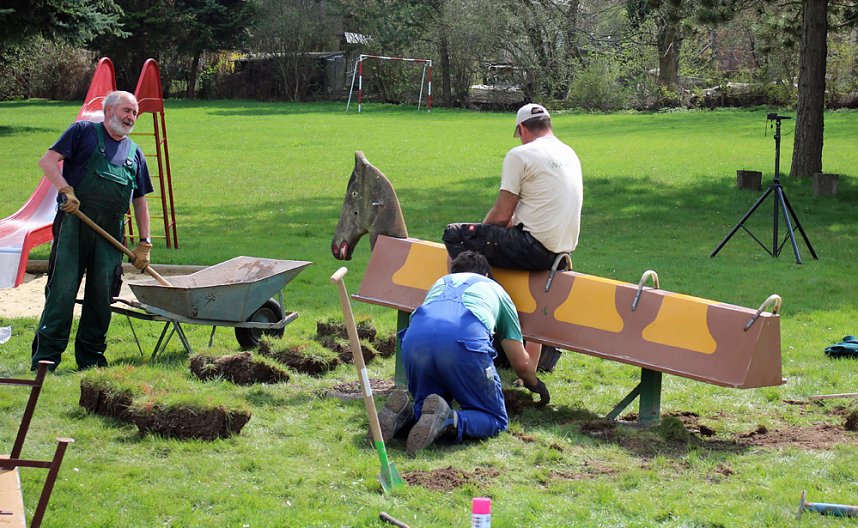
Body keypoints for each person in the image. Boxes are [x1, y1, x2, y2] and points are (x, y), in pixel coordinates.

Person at [442, 103, 583, 368]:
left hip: (533, 248)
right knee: (484, 242)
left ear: (521, 129)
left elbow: (502, 214)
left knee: (456, 235)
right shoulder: (569, 153)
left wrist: (480, 235)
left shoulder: (521, 155)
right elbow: (538, 207)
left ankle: (491, 315)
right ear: (549, 125)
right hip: (561, 252)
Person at [378, 251, 550, 455]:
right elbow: (522, 365)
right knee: (495, 419)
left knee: (427, 405)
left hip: (415, 342)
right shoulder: (497, 290)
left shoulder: (440, 282)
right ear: (486, 275)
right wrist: (535, 383)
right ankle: (449, 418)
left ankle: (405, 414)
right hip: (462, 342)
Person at [31, 90, 154, 371]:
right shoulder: (83, 132)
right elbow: (47, 161)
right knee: (61, 293)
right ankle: (45, 360)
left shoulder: (135, 154)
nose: (131, 117)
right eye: (126, 110)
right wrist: (65, 189)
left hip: (110, 235)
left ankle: (91, 359)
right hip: (74, 226)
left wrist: (144, 243)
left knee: (101, 297)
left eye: (134, 113)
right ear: (109, 110)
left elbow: (140, 200)